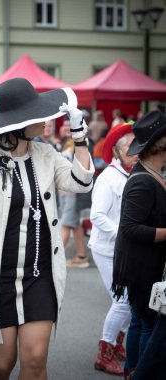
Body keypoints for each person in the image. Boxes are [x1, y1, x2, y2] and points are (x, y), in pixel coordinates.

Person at [0, 77, 95, 380]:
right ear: (18, 123)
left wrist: (79, 137)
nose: (47, 120)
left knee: (35, 361)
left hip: (40, 275)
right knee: (1, 364)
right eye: (38, 115)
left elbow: (81, 181)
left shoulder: (46, 155)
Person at [112, 110, 166, 380]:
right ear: (161, 144)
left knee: (143, 322)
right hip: (143, 268)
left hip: (146, 266)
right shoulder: (143, 180)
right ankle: (139, 373)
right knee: (149, 325)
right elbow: (130, 229)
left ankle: (133, 370)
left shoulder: (151, 172)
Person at [89, 121, 137, 376]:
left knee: (129, 301)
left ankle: (117, 342)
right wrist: (126, 234)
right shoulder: (109, 177)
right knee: (123, 301)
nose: (136, 150)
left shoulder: (130, 174)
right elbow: (97, 216)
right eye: (130, 146)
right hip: (107, 249)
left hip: (123, 249)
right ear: (117, 151)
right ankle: (104, 351)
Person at [58, 119, 91, 269]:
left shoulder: (81, 144)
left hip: (72, 194)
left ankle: (52, 259)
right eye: (64, 126)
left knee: (65, 225)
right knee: (75, 225)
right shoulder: (65, 143)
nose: (66, 128)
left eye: (69, 127)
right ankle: (81, 256)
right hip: (64, 193)